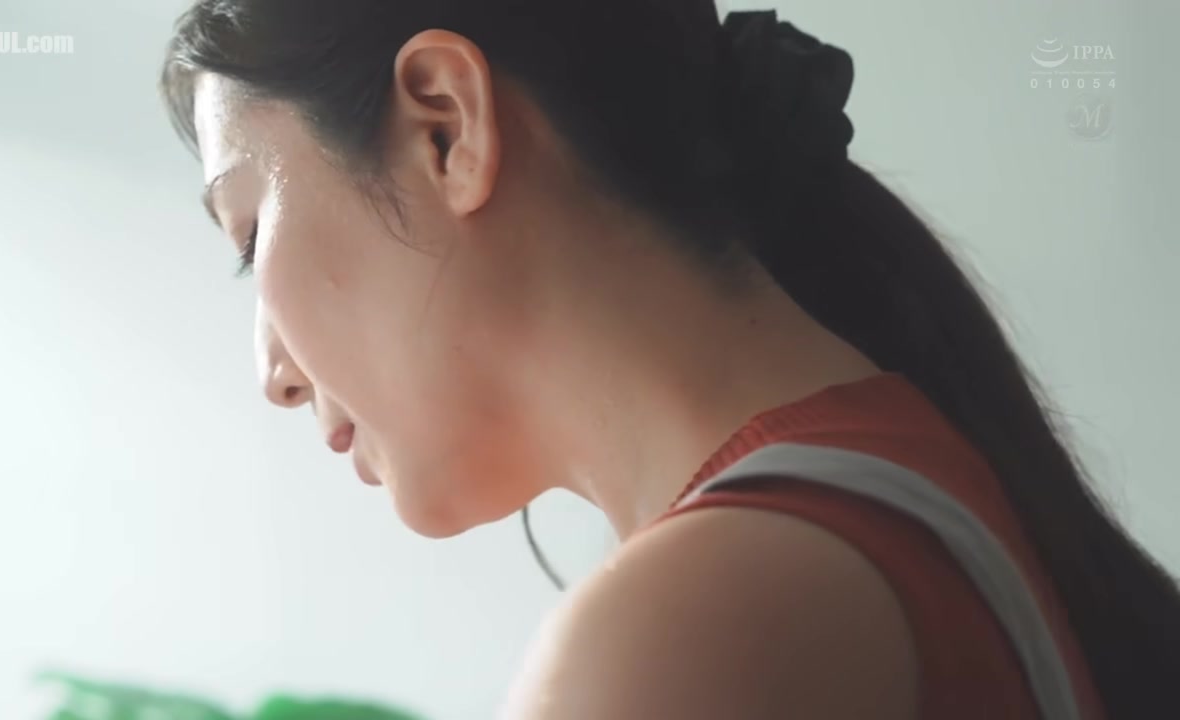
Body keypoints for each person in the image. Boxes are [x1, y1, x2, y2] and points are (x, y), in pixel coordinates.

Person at [158, 1, 1179, 717]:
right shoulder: (892, 491)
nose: (273, 374)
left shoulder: (709, 619)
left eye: (250, 235)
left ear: (444, 125)